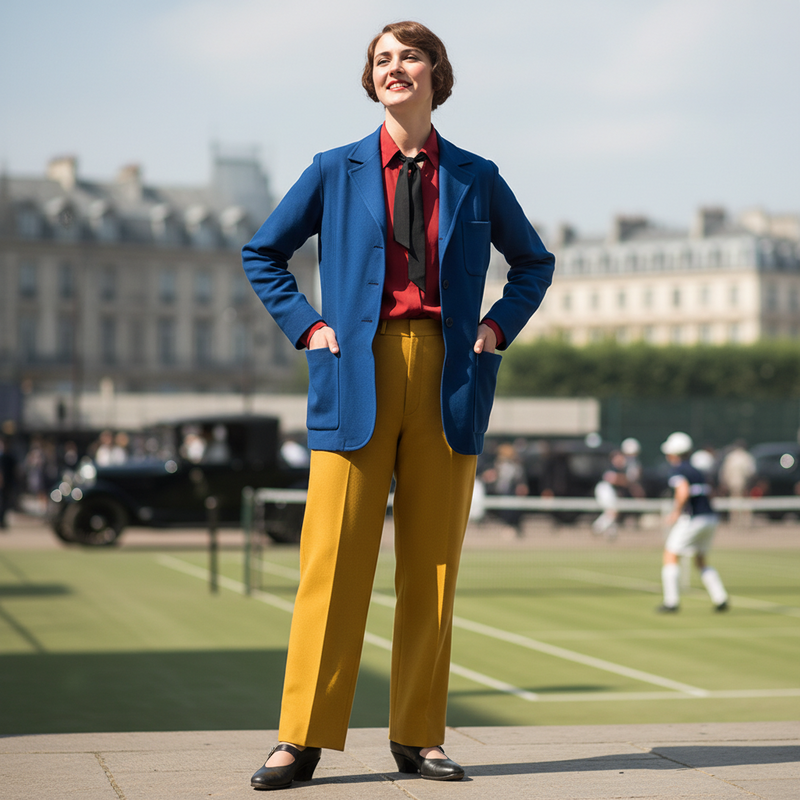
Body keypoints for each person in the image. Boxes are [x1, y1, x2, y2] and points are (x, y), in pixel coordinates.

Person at [242, 20, 554, 789]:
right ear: (370, 78)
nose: (394, 68)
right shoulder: (333, 169)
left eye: (408, 56)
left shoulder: (477, 175)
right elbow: (263, 252)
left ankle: (420, 736)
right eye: (381, 59)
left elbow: (533, 263)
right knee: (332, 564)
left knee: (434, 569)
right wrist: (309, 327)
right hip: (354, 371)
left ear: (435, 72)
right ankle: (302, 739)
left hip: (449, 377)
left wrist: (493, 329)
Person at [658, 431, 729, 613]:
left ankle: (671, 602)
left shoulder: (678, 469)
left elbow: (682, 492)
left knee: (670, 555)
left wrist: (675, 512)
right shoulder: (698, 470)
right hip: (710, 518)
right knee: (701, 560)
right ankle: (720, 598)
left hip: (694, 519)